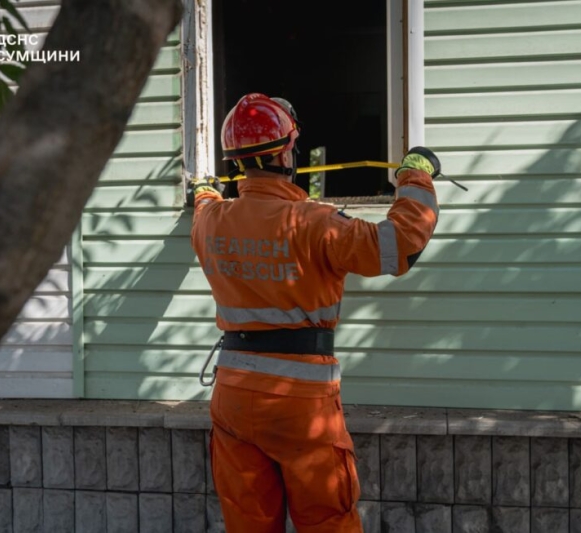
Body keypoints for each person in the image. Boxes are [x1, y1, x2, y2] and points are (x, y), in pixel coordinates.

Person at [188, 92, 441, 533]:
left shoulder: (211, 222)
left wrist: (204, 189)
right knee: (327, 521)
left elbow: (204, 205)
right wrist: (415, 175)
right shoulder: (316, 222)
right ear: (287, 153)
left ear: (237, 161)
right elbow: (398, 247)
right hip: (299, 402)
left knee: (247, 524)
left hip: (232, 396)